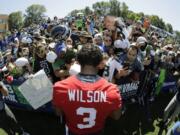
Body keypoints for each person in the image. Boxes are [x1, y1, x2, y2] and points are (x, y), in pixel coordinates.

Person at [53, 44, 122, 135]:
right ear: (100, 63)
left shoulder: (60, 87)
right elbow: (116, 116)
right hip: (97, 131)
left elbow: (59, 113)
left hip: (73, 131)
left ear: (77, 61)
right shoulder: (112, 90)